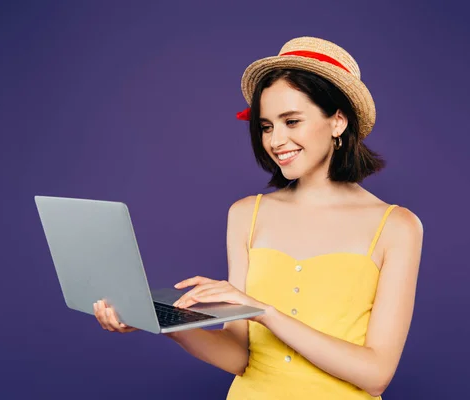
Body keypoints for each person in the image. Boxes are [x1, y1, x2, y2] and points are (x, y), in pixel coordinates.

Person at [93, 36, 423, 399]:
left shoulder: (396, 226)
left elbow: (375, 374)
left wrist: (267, 313)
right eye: (266, 126)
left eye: (292, 121)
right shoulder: (246, 214)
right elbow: (238, 357)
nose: (276, 140)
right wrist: (161, 321)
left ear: (338, 121)